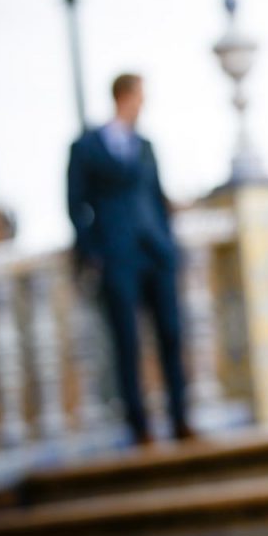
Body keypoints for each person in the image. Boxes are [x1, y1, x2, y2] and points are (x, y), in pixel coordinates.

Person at [67, 73, 192, 445]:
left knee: (171, 335)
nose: (143, 103)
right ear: (125, 96)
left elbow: (156, 196)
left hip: (156, 253)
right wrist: (94, 251)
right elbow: (75, 204)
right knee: (126, 342)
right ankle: (140, 427)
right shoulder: (86, 146)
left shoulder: (146, 145)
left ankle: (180, 420)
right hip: (117, 258)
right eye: (140, 96)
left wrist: (169, 242)